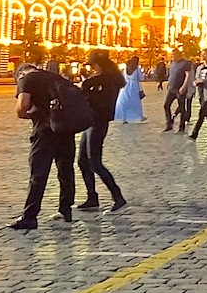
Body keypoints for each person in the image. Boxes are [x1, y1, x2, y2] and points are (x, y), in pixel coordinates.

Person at [9, 63, 77, 230]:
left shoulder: (27, 79)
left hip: (45, 131)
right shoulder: (55, 77)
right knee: (66, 170)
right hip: (65, 129)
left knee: (38, 174)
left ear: (20, 74)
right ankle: (65, 209)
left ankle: (30, 216)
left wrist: (26, 114)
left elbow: (23, 105)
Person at [77, 50, 127, 210]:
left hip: (97, 121)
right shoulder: (109, 78)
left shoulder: (104, 79)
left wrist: (86, 88)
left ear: (99, 65)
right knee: (83, 161)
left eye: (93, 65)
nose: (92, 68)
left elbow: (93, 98)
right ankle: (92, 197)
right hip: (93, 121)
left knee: (95, 162)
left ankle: (117, 196)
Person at [162, 49, 192, 131]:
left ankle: (181, 127)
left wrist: (184, 86)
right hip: (172, 88)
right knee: (166, 105)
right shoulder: (172, 63)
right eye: (171, 55)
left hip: (180, 89)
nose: (172, 56)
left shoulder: (185, 63)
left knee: (182, 108)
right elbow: (171, 74)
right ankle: (169, 124)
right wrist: (169, 83)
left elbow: (187, 75)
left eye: (174, 55)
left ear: (179, 55)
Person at [114, 55, 145, 122]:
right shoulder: (137, 69)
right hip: (134, 86)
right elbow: (141, 78)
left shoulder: (125, 68)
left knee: (123, 101)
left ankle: (122, 116)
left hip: (125, 85)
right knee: (135, 102)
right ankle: (138, 116)